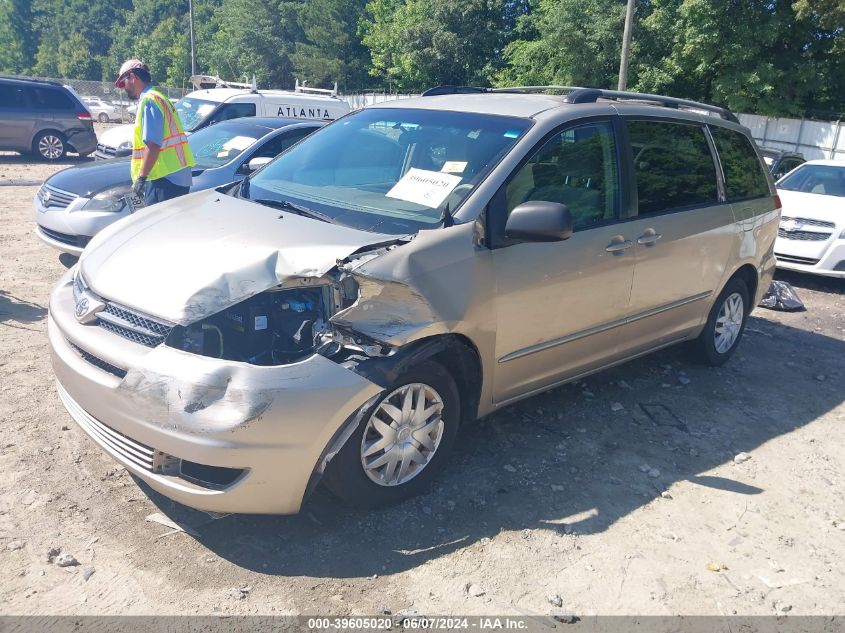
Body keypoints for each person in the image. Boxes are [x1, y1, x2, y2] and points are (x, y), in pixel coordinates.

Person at [114, 59, 195, 206]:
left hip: (164, 181)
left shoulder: (149, 101)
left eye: (123, 82)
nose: (123, 88)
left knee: (156, 226)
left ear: (133, 77)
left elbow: (153, 145)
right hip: (174, 178)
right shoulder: (160, 97)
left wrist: (141, 179)